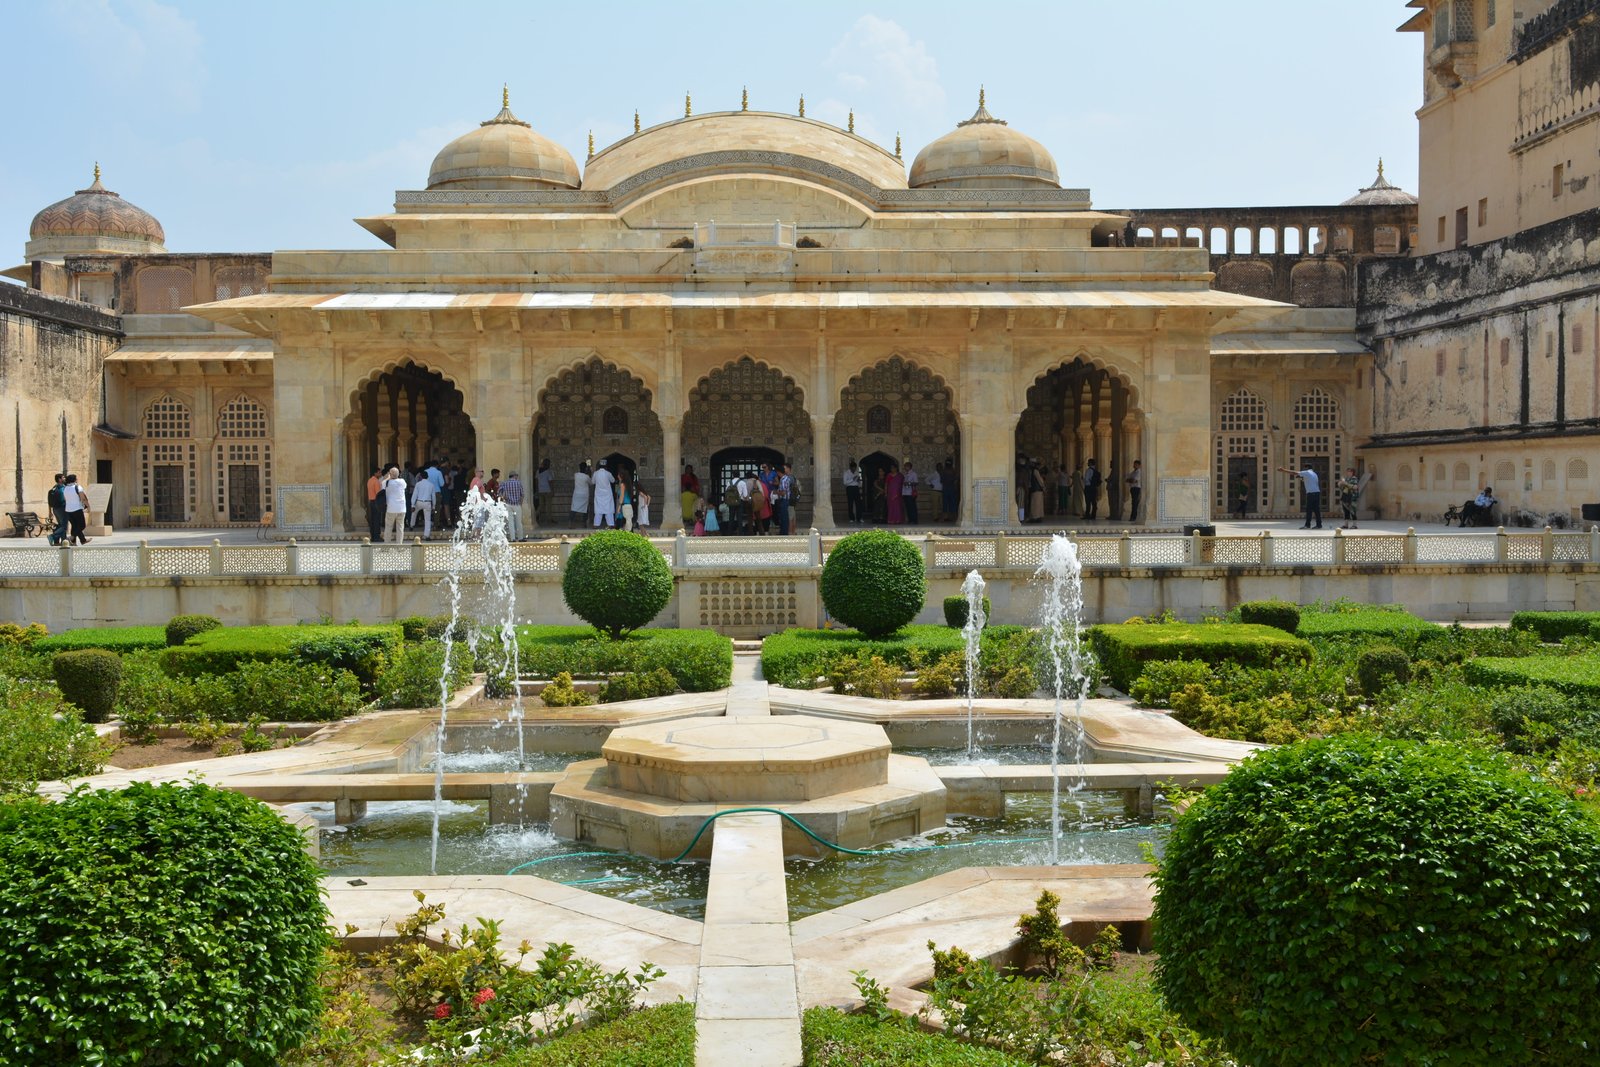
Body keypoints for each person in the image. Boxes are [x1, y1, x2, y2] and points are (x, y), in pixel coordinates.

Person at [62, 473, 90, 545]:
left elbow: (65, 499)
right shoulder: (78, 487)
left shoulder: (65, 488)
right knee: (82, 525)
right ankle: (72, 537)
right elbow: (83, 498)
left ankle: (79, 541)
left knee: (75, 526)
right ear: (74, 480)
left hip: (68, 510)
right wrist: (88, 506)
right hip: (77, 509)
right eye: (76, 478)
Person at [381, 467, 408, 542]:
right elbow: (405, 486)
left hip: (391, 508)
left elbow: (382, 485)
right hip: (401, 508)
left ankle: (387, 545)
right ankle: (399, 545)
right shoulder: (402, 481)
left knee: (388, 527)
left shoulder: (386, 482)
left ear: (390, 474)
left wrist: (388, 477)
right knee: (400, 527)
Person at [409, 471, 437, 538]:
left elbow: (414, 495)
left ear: (420, 477)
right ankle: (426, 535)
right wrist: (434, 506)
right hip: (427, 503)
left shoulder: (418, 484)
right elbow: (433, 496)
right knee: (427, 520)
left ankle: (411, 525)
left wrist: (412, 505)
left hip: (419, 502)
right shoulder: (431, 485)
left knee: (414, 513)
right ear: (427, 477)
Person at [500, 469, 525, 540]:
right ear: (514, 476)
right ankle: (520, 538)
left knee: (511, 522)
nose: (517, 477)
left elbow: (500, 492)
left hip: (508, 504)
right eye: (516, 475)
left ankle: (512, 538)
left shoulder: (505, 483)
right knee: (519, 522)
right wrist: (520, 504)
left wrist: (504, 498)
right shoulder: (518, 483)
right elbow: (522, 495)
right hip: (517, 505)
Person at [46, 473, 68, 546]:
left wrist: (50, 512)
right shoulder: (63, 488)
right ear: (59, 479)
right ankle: (53, 536)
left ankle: (62, 542)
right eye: (63, 478)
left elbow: (49, 501)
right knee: (64, 526)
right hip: (62, 509)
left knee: (61, 525)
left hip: (55, 509)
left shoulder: (53, 488)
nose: (65, 479)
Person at [570, 461, 592, 527]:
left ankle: (570, 523)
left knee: (574, 508)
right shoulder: (586, 477)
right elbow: (591, 483)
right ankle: (584, 524)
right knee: (585, 509)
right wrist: (589, 473)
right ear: (585, 468)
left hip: (576, 494)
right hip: (584, 495)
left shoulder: (576, 475)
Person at [366, 466, 384, 542]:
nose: (380, 473)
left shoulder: (369, 481)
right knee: (377, 520)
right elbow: (378, 493)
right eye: (379, 472)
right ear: (375, 473)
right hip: (376, 502)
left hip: (371, 502)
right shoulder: (376, 481)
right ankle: (377, 537)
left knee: (372, 520)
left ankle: (373, 536)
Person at [775, 463, 794, 535]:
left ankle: (784, 533)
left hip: (784, 500)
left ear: (779, 472)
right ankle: (784, 532)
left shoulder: (783, 480)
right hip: (787, 500)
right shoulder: (787, 478)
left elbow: (783, 493)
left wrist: (777, 492)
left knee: (784, 517)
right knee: (784, 517)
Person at [680, 465, 701, 530]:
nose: (688, 470)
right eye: (687, 469)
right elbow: (680, 484)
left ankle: (690, 519)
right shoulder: (682, 477)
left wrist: (694, 490)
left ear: (691, 470)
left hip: (692, 494)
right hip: (684, 493)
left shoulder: (694, 477)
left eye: (689, 469)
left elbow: (696, 486)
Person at [843, 459, 862, 524]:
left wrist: (859, 481)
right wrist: (852, 479)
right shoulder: (846, 473)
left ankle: (859, 518)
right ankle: (851, 518)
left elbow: (859, 483)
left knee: (858, 503)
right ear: (850, 467)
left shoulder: (857, 473)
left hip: (856, 488)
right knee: (850, 504)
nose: (854, 470)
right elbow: (845, 483)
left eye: (855, 468)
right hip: (850, 489)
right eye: (853, 468)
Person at [534, 460, 553, 525]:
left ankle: (535, 515)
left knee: (541, 505)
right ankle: (549, 519)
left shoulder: (538, 471)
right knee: (548, 506)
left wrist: (537, 489)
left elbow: (536, 481)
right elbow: (550, 482)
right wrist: (552, 490)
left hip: (540, 490)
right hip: (547, 490)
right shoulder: (548, 472)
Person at [902, 460, 920, 525]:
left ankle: (914, 520)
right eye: (904, 467)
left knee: (912, 507)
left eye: (906, 466)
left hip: (910, 493)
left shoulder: (913, 474)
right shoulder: (905, 474)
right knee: (908, 507)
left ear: (909, 467)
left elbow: (916, 483)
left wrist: (909, 483)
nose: (905, 468)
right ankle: (910, 519)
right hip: (905, 492)